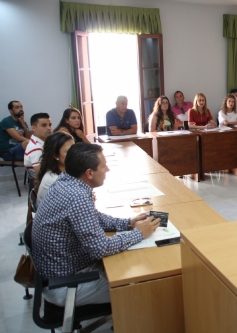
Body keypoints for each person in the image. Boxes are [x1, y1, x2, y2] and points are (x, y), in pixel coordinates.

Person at [32, 143, 160, 306]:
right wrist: (139, 233)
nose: (107, 170)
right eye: (104, 166)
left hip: (65, 269)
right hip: (66, 284)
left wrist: (128, 223)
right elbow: (100, 248)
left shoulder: (65, 180)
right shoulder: (77, 197)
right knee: (145, 285)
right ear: (89, 173)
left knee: (132, 264)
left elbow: (93, 216)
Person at [36, 132, 75, 206]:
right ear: (56, 155)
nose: (74, 153)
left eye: (74, 149)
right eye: (68, 151)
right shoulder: (55, 180)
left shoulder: (62, 171)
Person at [24, 113, 52, 181]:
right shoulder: (36, 148)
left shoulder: (43, 142)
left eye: (50, 125)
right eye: (44, 125)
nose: (49, 128)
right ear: (34, 128)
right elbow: (41, 175)